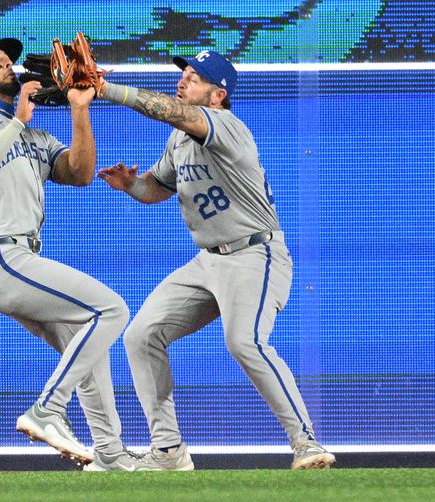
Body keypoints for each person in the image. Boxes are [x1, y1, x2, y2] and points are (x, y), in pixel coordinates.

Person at [95, 50, 336, 470]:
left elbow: (168, 111)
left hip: (254, 254)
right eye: (184, 73)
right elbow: (159, 188)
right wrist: (133, 184)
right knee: (141, 335)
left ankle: (307, 443)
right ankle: (167, 452)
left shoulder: (224, 125)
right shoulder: (180, 139)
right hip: (207, 262)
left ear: (217, 94)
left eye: (195, 77)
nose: (184, 81)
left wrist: (105, 89)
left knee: (245, 342)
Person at [0, 38, 159, 471]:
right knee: (110, 310)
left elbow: (79, 173)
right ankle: (47, 411)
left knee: (87, 346)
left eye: (8, 61)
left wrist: (80, 108)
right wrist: (16, 122)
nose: (6, 66)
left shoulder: (37, 134)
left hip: (17, 257)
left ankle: (110, 455)